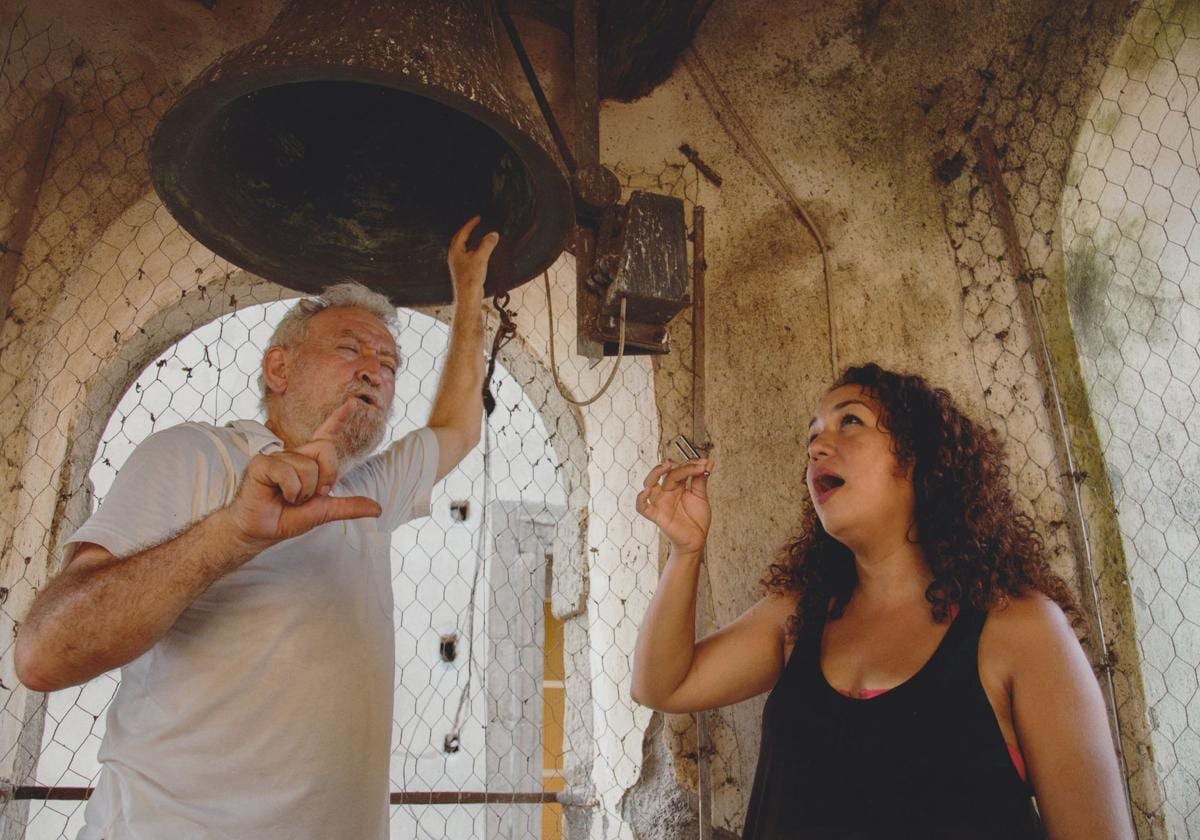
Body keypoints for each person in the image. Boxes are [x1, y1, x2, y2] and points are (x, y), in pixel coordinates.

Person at [14, 218, 499, 839]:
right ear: (280, 368)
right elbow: (45, 656)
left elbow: (457, 427)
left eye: (389, 361)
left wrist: (469, 292)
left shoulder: (364, 491)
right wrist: (232, 535)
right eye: (350, 348)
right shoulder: (195, 456)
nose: (375, 369)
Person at [631, 363, 1134, 839]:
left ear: (919, 457)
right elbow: (664, 686)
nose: (817, 448)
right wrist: (686, 551)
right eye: (811, 436)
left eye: (850, 421)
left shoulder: (1019, 629)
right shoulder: (800, 615)